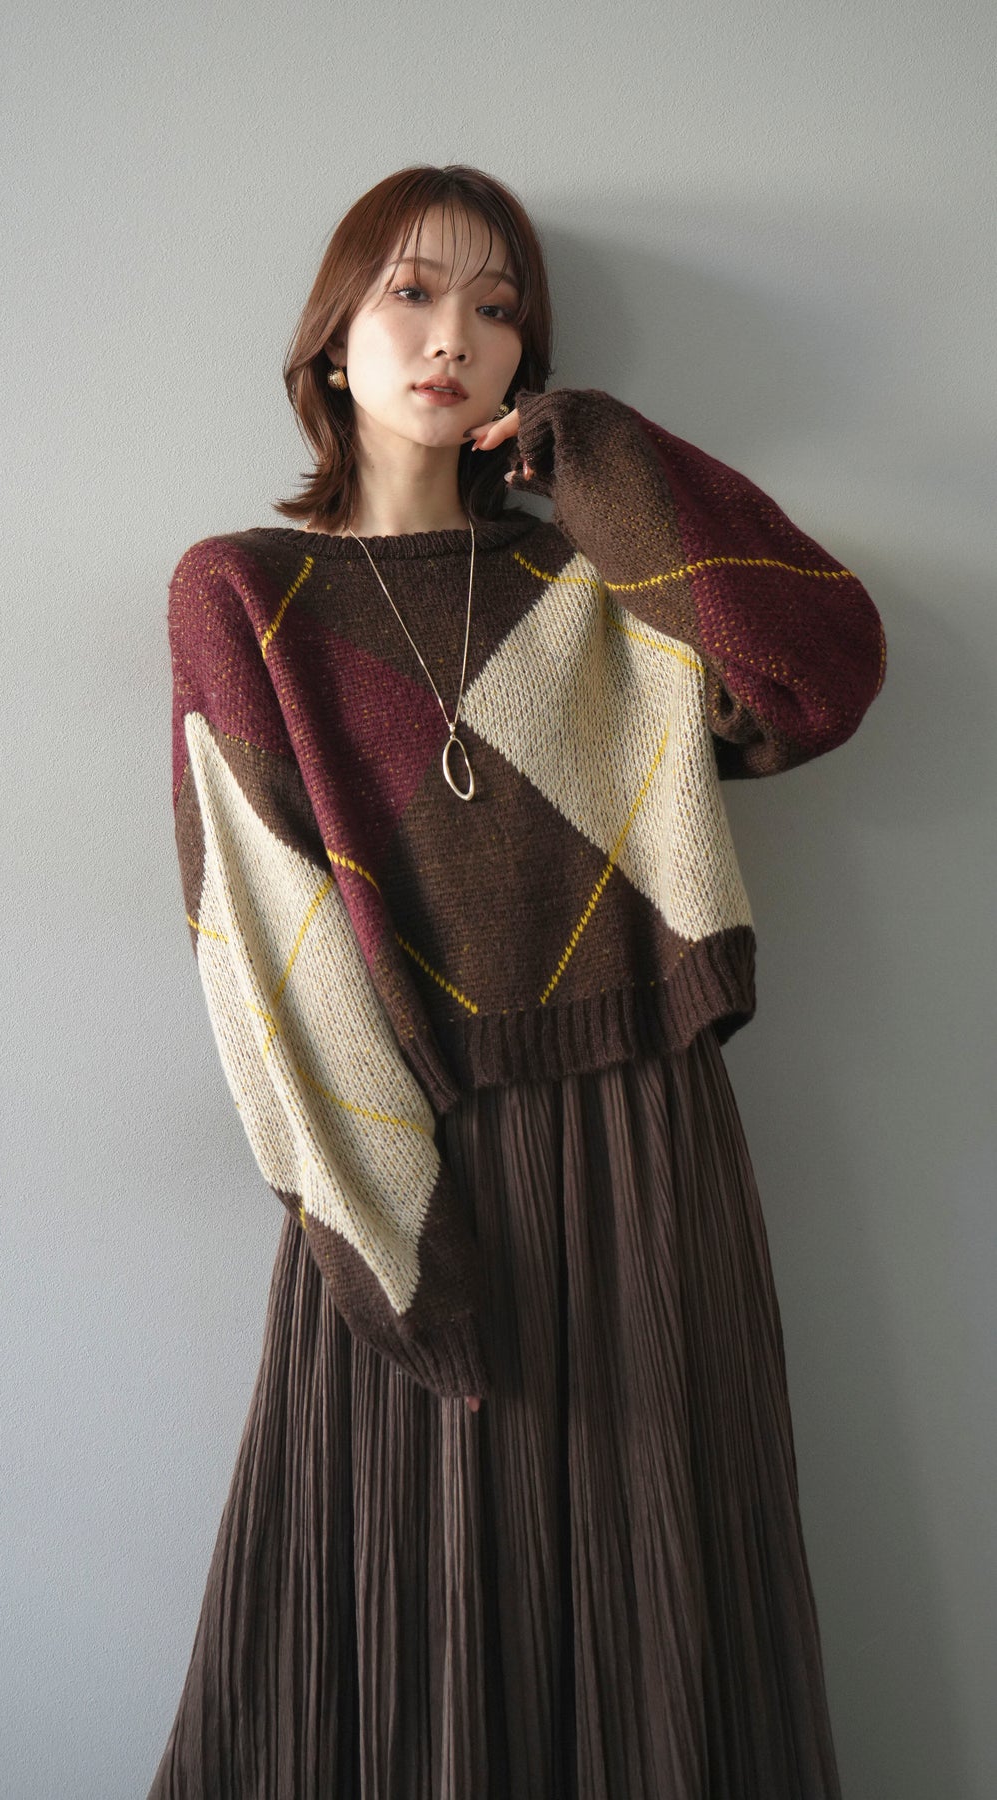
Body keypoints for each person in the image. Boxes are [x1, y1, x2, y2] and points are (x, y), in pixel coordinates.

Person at [149, 163, 885, 1799]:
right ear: (330, 335)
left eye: (496, 310)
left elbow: (815, 682)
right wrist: (389, 1236)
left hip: (648, 1137)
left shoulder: (590, 590)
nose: (452, 337)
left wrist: (603, 462)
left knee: (656, 1571)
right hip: (409, 1145)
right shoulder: (242, 591)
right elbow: (261, 944)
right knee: (392, 1578)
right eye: (411, 293)